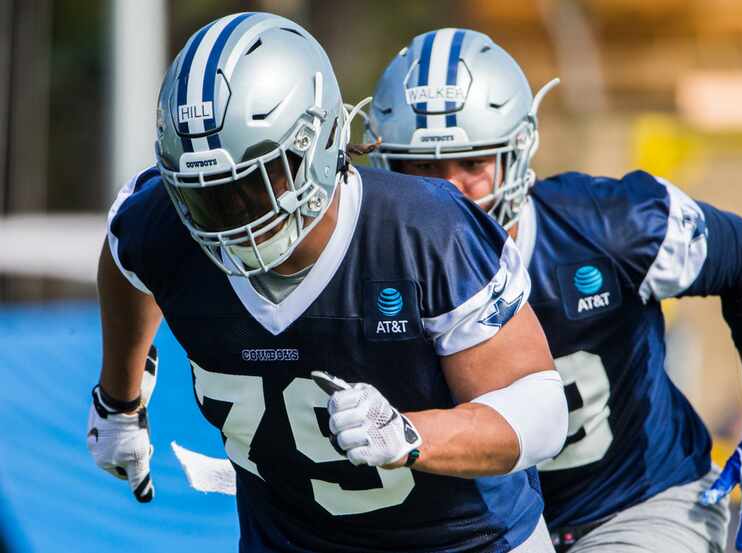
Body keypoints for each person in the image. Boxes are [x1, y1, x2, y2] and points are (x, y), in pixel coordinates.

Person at [86, 13, 570, 553]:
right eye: (207, 192)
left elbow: (540, 411)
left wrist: (412, 436)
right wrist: (117, 401)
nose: (232, 215)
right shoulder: (163, 226)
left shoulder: (424, 230)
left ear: (318, 144)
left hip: (469, 541)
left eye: (258, 177)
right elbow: (126, 258)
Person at [367, 28, 742, 553]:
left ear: (517, 151)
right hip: (483, 532)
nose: (448, 191)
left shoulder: (611, 226)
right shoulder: (369, 267)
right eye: (423, 167)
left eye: (473, 164)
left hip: (639, 505)